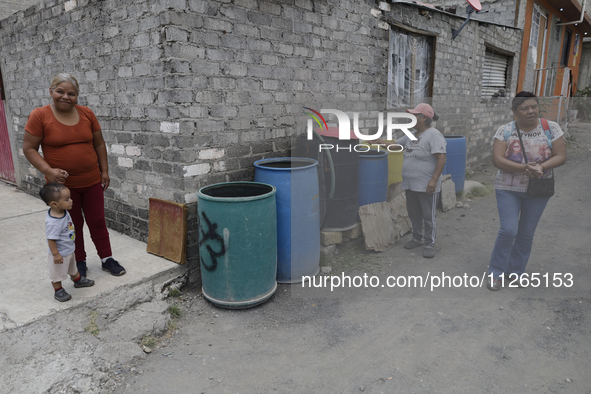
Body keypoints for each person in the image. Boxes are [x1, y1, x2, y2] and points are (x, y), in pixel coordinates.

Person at [23, 73, 126, 278]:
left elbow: (99, 143)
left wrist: (104, 170)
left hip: (91, 181)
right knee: (73, 224)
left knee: (97, 221)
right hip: (62, 189)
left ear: (77, 96)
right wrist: (48, 171)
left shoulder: (87, 113)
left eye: (71, 93)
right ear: (51, 91)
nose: (65, 97)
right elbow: (29, 148)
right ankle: (79, 261)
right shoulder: (40, 115)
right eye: (60, 91)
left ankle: (107, 259)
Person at [487, 91, 567, 290]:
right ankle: (496, 272)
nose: (530, 111)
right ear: (515, 112)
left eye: (534, 106)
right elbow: (497, 160)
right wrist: (525, 168)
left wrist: (542, 167)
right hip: (508, 188)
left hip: (538, 188)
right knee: (509, 230)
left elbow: (561, 155)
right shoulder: (505, 131)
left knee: (526, 232)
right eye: (524, 108)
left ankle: (516, 272)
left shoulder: (551, 128)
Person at [377, 103, 446, 258]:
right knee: (414, 213)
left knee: (428, 216)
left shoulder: (434, 135)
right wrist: (379, 142)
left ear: (424, 118)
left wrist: (434, 180)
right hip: (410, 184)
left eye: (414, 115)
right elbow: (395, 145)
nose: (411, 118)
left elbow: (441, 158)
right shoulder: (411, 134)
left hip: (427, 185)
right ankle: (417, 238)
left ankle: (429, 243)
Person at [39, 183, 95, 302]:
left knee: (72, 267)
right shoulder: (53, 222)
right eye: (67, 199)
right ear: (54, 204)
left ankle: (78, 280)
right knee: (57, 273)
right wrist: (56, 254)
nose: (71, 201)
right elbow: (51, 239)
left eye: (69, 197)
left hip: (68, 249)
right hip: (60, 254)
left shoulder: (63, 210)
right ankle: (58, 290)